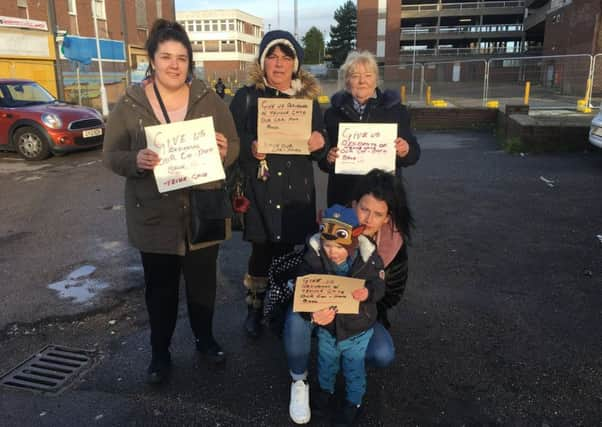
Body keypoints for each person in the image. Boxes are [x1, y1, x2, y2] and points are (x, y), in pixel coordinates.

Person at [102, 19, 240, 384]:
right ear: (152, 59)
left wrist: (224, 152)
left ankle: (205, 341)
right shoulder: (130, 104)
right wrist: (136, 160)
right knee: (160, 291)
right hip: (154, 217)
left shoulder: (208, 99)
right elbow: (111, 154)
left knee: (202, 287)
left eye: (181, 57)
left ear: (189, 61)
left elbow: (234, 144)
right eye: (166, 57)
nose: (174, 64)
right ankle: (159, 354)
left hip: (203, 212)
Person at [283, 169, 412, 425]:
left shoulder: (387, 248)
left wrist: (367, 298)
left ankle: (353, 396)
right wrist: (313, 311)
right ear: (354, 204)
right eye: (364, 209)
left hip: (361, 318)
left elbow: (390, 294)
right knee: (297, 321)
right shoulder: (330, 228)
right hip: (324, 316)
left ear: (388, 218)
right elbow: (306, 280)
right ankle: (300, 380)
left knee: (381, 354)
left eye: (378, 214)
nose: (369, 218)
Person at [229, 30, 327, 338]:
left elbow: (322, 148)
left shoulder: (308, 101)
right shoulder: (247, 98)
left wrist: (319, 142)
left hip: (296, 189)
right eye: (272, 56)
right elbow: (232, 141)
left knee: (288, 252)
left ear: (295, 64)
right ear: (263, 62)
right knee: (261, 250)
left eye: (286, 58)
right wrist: (250, 147)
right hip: (262, 187)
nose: (279, 64)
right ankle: (254, 308)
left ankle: (281, 304)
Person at [293, 205, 385, 426]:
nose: (332, 251)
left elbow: (380, 285)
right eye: (327, 245)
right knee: (326, 363)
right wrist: (313, 311)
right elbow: (303, 288)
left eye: (339, 246)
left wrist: (369, 292)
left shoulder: (368, 259)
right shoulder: (313, 259)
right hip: (329, 327)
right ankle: (325, 391)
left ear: (352, 243)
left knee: (354, 369)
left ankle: (354, 403)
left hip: (357, 328)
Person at [320, 50, 420, 207]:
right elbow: (322, 156)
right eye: (355, 76)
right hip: (344, 197)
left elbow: (414, 153)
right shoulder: (333, 114)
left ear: (376, 80)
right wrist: (328, 157)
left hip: (383, 198)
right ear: (347, 81)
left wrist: (405, 150)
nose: (362, 81)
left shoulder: (395, 110)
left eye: (368, 75)